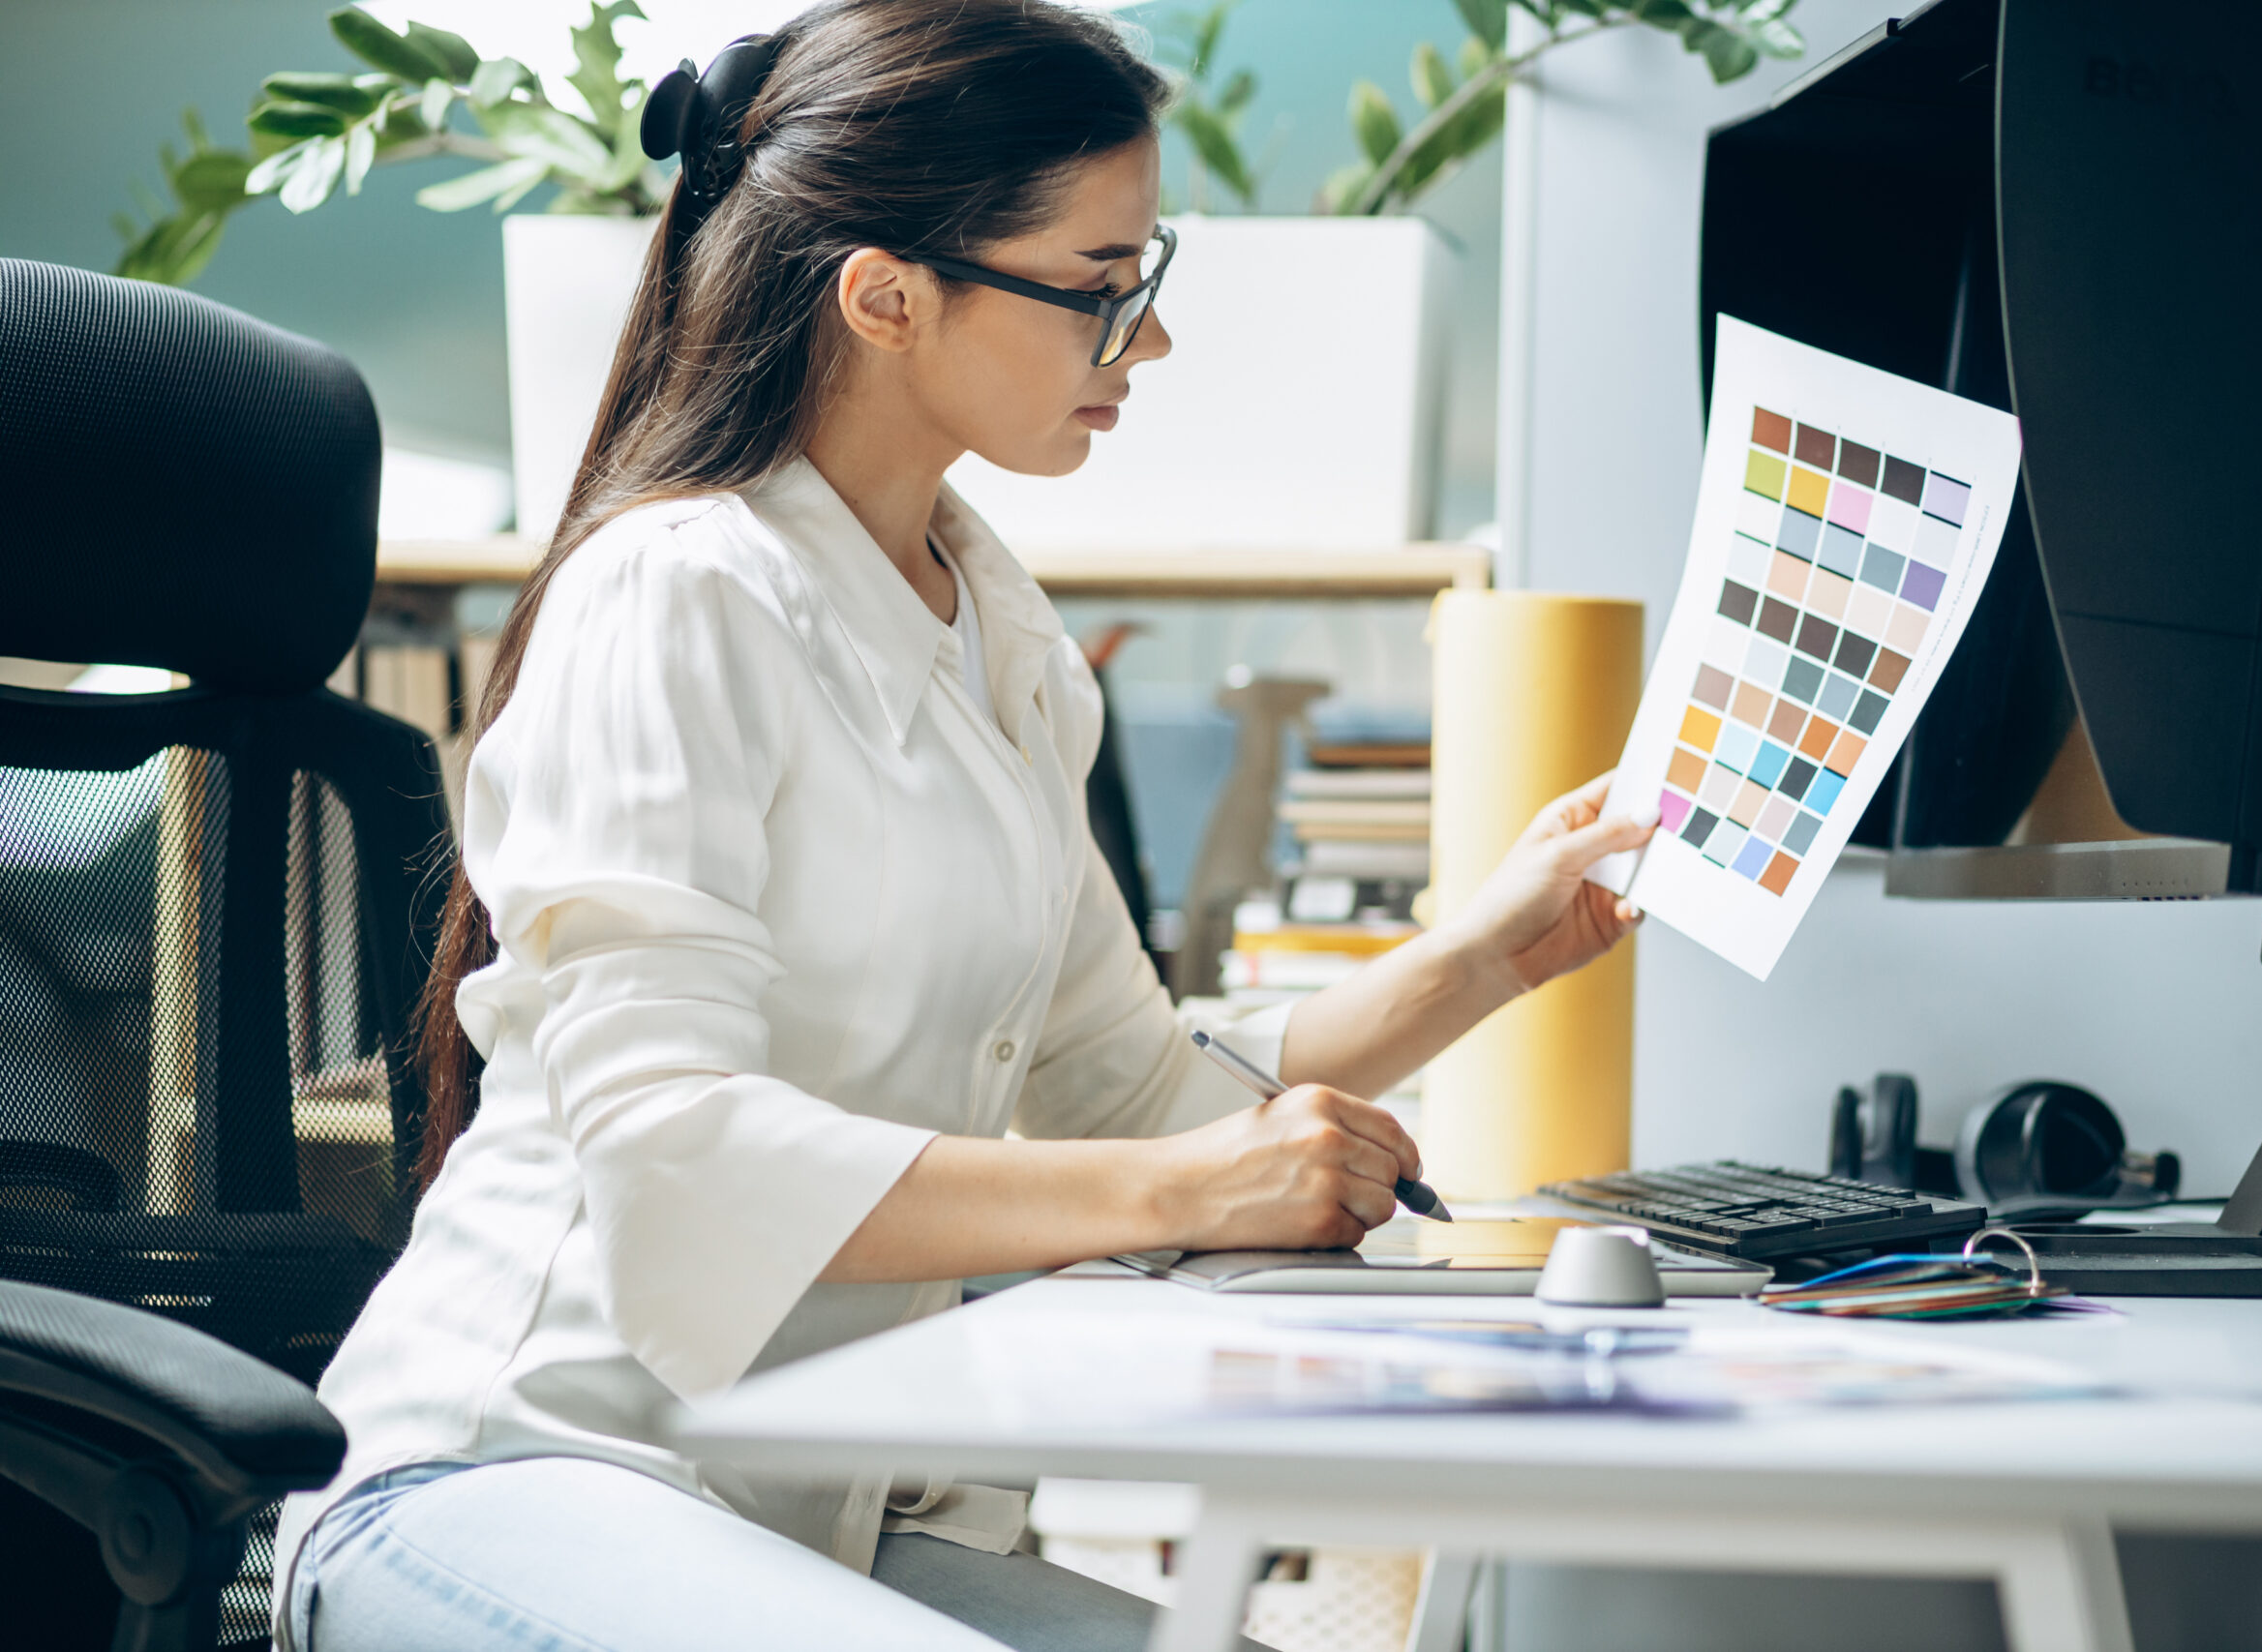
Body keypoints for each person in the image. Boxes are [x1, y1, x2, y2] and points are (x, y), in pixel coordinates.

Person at [274, 3, 1655, 1647]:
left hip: (823, 1513)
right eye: (1095, 291)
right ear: (886, 299)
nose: (1141, 345)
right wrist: (1181, 1193)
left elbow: (1130, 1088)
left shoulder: (999, 635)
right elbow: (679, 1158)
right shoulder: (679, 592)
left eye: (1145, 282)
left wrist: (1486, 954)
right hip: (526, 1477)